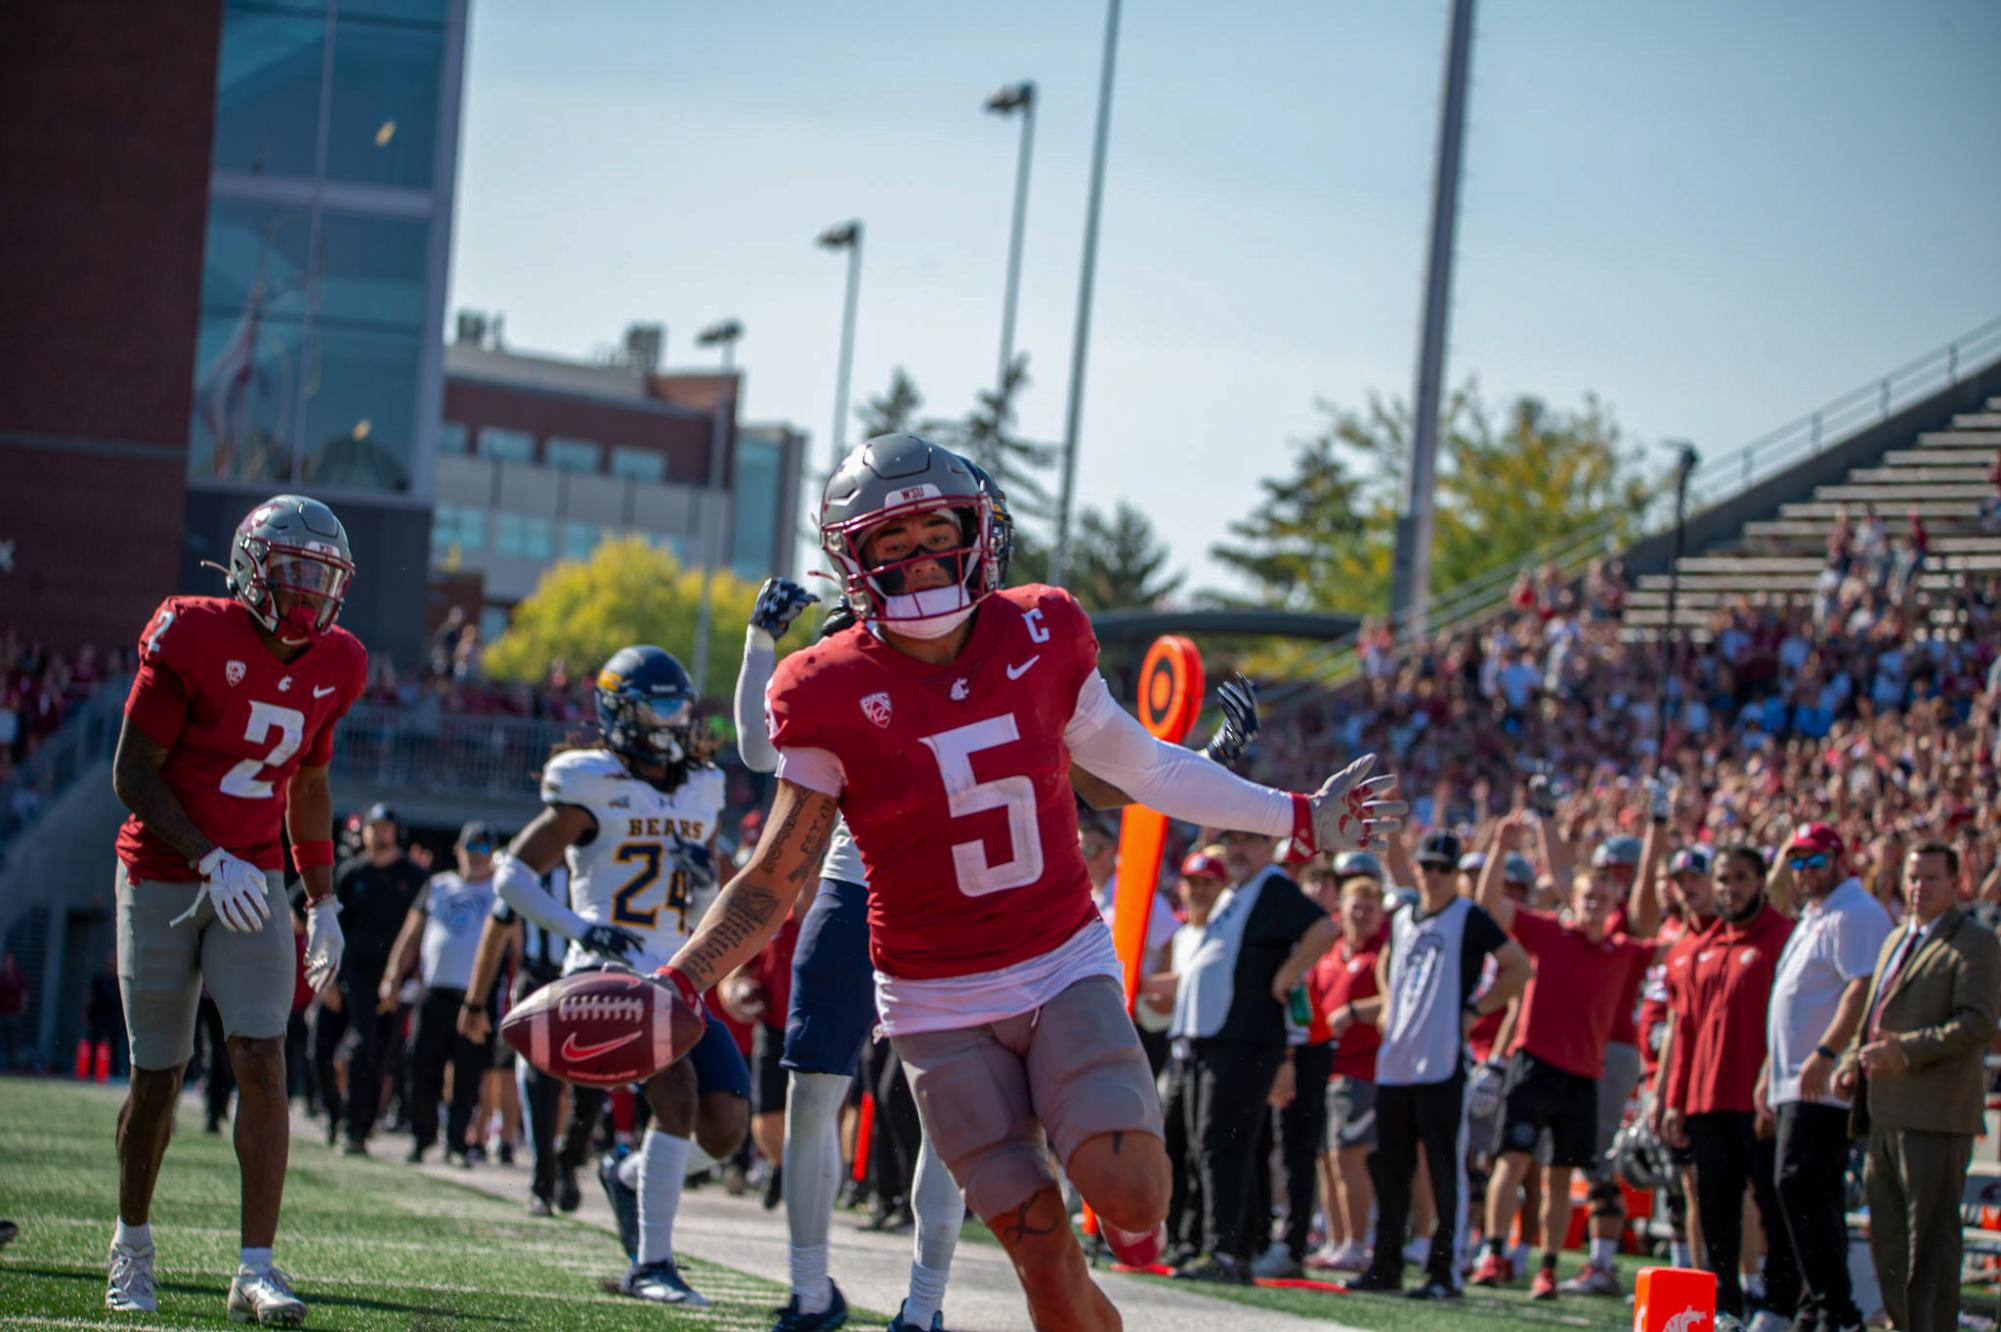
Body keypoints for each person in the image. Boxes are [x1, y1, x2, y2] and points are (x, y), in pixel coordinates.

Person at [658, 433, 1405, 1332]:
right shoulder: (822, 685)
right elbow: (778, 874)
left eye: (936, 530)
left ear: (981, 531)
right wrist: (678, 980)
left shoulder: (1041, 628)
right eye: (891, 544)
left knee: (1133, 1198)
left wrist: (1296, 816)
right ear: (852, 564)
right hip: (935, 999)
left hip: (1057, 958)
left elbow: (1147, 772)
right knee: (1043, 1258)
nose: (920, 557)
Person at [105, 495, 363, 1322]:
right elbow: (132, 774)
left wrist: (322, 901)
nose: (306, 592)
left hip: (252, 878)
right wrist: (205, 855)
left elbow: (311, 784)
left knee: (262, 1055)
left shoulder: (340, 661)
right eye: (292, 570)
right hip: (167, 872)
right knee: (159, 1079)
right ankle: (132, 1247)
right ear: (252, 565)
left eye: (321, 578)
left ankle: (255, 1268)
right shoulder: (190, 632)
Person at [492, 644, 748, 1307]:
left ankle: (632, 1174)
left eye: (677, 709)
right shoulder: (589, 783)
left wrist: (699, 887)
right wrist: (580, 928)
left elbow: (700, 909)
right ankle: (651, 1264)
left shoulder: (701, 788)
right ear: (618, 713)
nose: (668, 723)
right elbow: (511, 874)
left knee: (725, 1127)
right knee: (680, 1095)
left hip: (676, 973)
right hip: (607, 976)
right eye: (655, 708)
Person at [1470, 813, 1657, 1301]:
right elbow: (1488, 906)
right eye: (1586, 898)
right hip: (1533, 1064)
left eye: (1602, 899)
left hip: (1584, 1076)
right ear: (1572, 900)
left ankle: (1548, 1267)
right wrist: (1499, 849)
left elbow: (1658, 929)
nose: (1594, 905)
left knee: (1558, 1177)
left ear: (1615, 904)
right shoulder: (1549, 932)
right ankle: (1494, 1251)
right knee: (1510, 1161)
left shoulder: (1624, 951)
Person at [1345, 825, 1529, 1300]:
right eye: (1427, 866)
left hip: (1443, 1061)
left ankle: (1445, 1272)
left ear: (1455, 875)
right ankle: (1385, 1266)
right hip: (1395, 1062)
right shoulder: (1404, 916)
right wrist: (1388, 1003)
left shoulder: (1469, 916)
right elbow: (1387, 960)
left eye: (1444, 869)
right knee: (1391, 1173)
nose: (1433, 876)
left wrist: (1476, 1010)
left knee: (1446, 1171)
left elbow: (1518, 966)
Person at [1836, 842, 2001, 1332]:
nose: (1917, 887)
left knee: (1929, 1244)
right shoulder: (1895, 939)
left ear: (1957, 884)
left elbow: (1977, 1023)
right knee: (1887, 1238)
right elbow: (1870, 1018)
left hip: (1935, 1114)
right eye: (1912, 877)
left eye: (1930, 878)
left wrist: (1904, 1051)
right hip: (1883, 1110)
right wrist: (1851, 1061)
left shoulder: (1974, 942)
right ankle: (1902, 1325)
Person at [1166, 828, 1336, 1283]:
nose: (1238, 848)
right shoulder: (1237, 891)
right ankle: (1210, 1244)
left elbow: (1324, 927)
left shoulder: (1274, 885)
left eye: (1248, 839)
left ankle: (1228, 1253)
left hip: (1247, 1036)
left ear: (1267, 845)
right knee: (1206, 1145)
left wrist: (1287, 975)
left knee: (1225, 1144)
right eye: (1233, 839)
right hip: (1216, 1035)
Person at [1658, 844, 1798, 1326]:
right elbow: (1684, 1028)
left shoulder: (1784, 937)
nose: (1730, 888)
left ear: (1761, 881)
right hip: (1705, 1099)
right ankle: (1723, 1306)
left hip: (1762, 1098)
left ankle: (1778, 1303)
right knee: (1715, 1208)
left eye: (1740, 878)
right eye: (1722, 879)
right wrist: (1674, 1097)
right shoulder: (1700, 945)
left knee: (1774, 1207)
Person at [1761, 823, 1892, 1331]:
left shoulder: (1854, 911)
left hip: (1821, 1080)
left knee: (1799, 1185)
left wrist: (1827, 1052)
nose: (1805, 873)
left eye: (1815, 862)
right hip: (1797, 1076)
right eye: (1797, 863)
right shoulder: (1819, 913)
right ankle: (1820, 1307)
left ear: (1839, 860)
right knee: (1806, 1191)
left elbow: (1862, 987)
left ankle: (1835, 1308)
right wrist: (1771, 1071)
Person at [379, 821, 499, 1166]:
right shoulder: (437, 885)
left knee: (468, 1074)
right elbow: (411, 934)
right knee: (420, 1065)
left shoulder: (499, 891)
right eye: (471, 848)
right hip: (434, 992)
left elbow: (514, 945)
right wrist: (392, 975)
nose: (477, 856)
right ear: (458, 850)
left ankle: (458, 1143)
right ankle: (422, 1137)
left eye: (483, 848)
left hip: (475, 997)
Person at [316, 804, 426, 1154]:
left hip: (394, 979)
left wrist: (406, 977)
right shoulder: (350, 874)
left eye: (385, 827)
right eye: (372, 827)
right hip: (353, 976)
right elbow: (328, 931)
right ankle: (340, 1118)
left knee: (378, 1053)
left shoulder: (413, 876)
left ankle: (359, 1128)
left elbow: (421, 931)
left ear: (396, 831)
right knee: (329, 1047)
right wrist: (326, 979)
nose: (379, 833)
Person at [1306, 861, 1388, 1273]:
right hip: (1325, 1064)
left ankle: (1358, 1242)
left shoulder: (1381, 953)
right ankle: (1337, 1240)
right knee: (1326, 1159)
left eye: (1369, 908)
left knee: (1349, 1158)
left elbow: (1394, 1002)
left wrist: (1354, 1011)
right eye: (1355, 906)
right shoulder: (1331, 950)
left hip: (1361, 1066)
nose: (1361, 914)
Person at [1153, 847, 1229, 1267]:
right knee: (1172, 1145)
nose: (1198, 890)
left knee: (1204, 1149)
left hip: (1212, 1047)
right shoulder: (1181, 936)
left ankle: (1198, 1237)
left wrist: (1149, 983)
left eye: (1207, 883)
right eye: (1192, 882)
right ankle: (1175, 1235)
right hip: (1178, 1049)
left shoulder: (1224, 930)